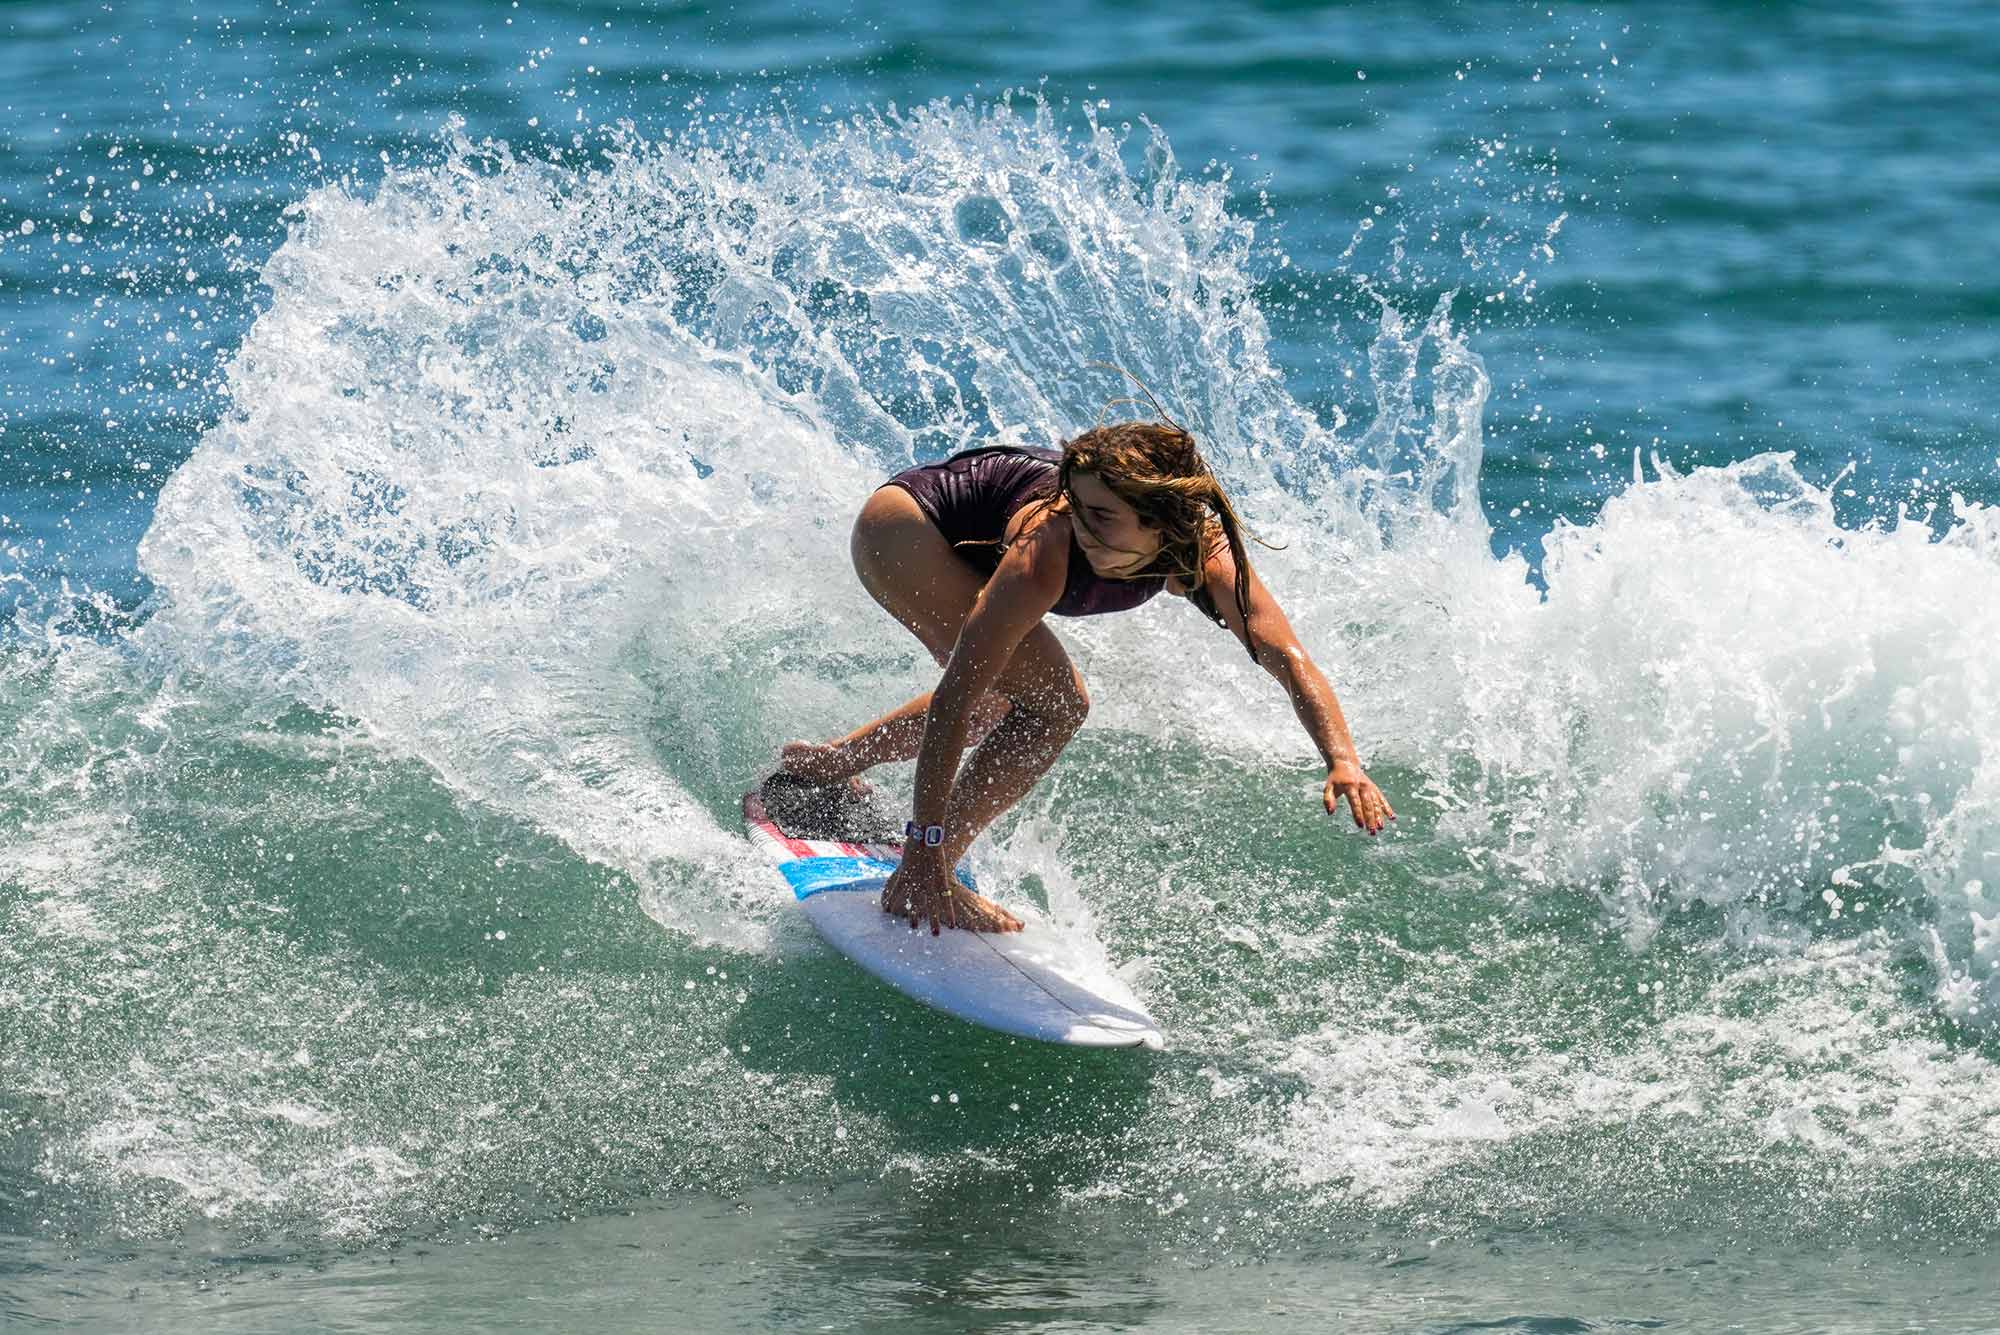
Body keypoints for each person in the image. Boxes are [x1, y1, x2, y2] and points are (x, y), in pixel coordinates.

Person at [778, 415, 1395, 935]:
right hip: (909, 530)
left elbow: (1289, 658)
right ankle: (930, 864)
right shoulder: (1047, 545)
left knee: (1016, 698)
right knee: (1048, 702)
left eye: (1102, 517)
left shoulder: (1203, 555)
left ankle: (827, 767)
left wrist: (1343, 760)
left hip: (966, 530)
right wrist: (922, 847)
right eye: (1077, 505)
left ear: (1162, 521)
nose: (1081, 524)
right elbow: (954, 701)